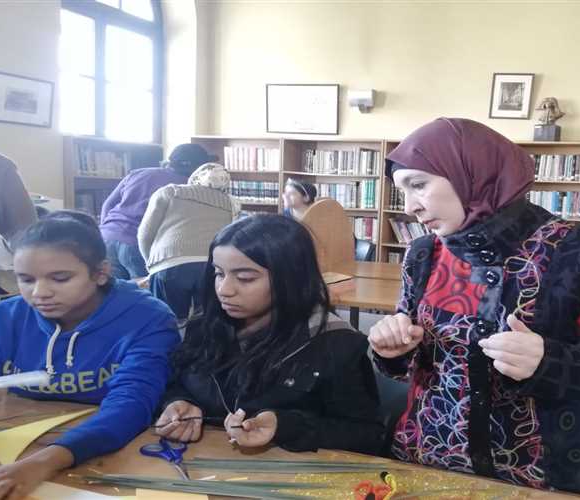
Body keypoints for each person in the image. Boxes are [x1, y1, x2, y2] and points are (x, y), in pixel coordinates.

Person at [369, 118, 580, 498]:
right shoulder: (423, 253)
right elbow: (410, 350)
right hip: (423, 456)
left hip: (537, 472)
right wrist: (390, 349)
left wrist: (548, 360)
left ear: (472, 172)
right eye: (402, 192)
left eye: (418, 185)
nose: (410, 208)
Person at [154, 215, 384, 456]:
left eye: (245, 278)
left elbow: (367, 435)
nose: (224, 290)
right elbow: (177, 380)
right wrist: (178, 402)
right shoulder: (204, 324)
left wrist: (285, 426)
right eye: (219, 273)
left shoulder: (335, 343)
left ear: (290, 278)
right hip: (202, 462)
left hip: (287, 471)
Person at [0, 211, 179, 499]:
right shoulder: (5, 316)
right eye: (26, 279)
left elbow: (131, 404)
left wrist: (42, 463)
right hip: (22, 439)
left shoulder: (147, 318)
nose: (39, 292)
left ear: (100, 273)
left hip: (111, 449)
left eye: (60, 278)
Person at [138, 163, 238, 324]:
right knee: (205, 321)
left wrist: (152, 265)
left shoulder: (169, 192)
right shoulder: (232, 203)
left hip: (169, 264)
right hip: (211, 267)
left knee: (168, 321)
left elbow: (144, 234)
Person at [99, 143, 215, 280]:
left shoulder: (138, 173)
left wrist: (108, 230)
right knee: (144, 290)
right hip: (137, 245)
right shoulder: (188, 187)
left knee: (114, 289)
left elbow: (108, 204)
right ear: (200, 168)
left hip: (107, 237)